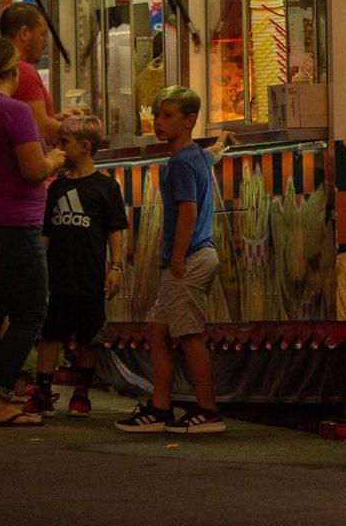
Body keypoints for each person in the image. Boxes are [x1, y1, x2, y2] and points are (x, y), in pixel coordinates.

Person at [0, 35, 58, 426]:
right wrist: (57, 157)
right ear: (14, 70)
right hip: (14, 224)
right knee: (31, 312)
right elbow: (33, 170)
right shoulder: (14, 112)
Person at [118, 86, 222, 434]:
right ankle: (160, 407)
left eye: (168, 116)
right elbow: (213, 155)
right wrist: (222, 143)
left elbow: (187, 211)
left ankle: (208, 410)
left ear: (190, 120)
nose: (158, 122)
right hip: (194, 256)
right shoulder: (197, 157)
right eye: (158, 114)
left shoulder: (180, 163)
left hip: (189, 258)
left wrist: (176, 257)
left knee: (189, 333)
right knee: (159, 331)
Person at [32, 116, 129, 419]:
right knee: (50, 334)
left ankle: (82, 393)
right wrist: (38, 268)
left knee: (88, 336)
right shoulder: (56, 188)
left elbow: (116, 230)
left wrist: (115, 268)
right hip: (56, 278)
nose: (58, 148)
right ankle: (43, 391)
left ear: (85, 147)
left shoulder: (105, 187)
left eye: (64, 143)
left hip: (88, 278)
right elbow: (46, 232)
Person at [0, 3, 57, 142]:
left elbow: (24, 121)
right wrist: (81, 129)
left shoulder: (4, 66)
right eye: (42, 34)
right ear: (24, 33)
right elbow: (43, 130)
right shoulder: (22, 71)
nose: (46, 43)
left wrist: (61, 119)